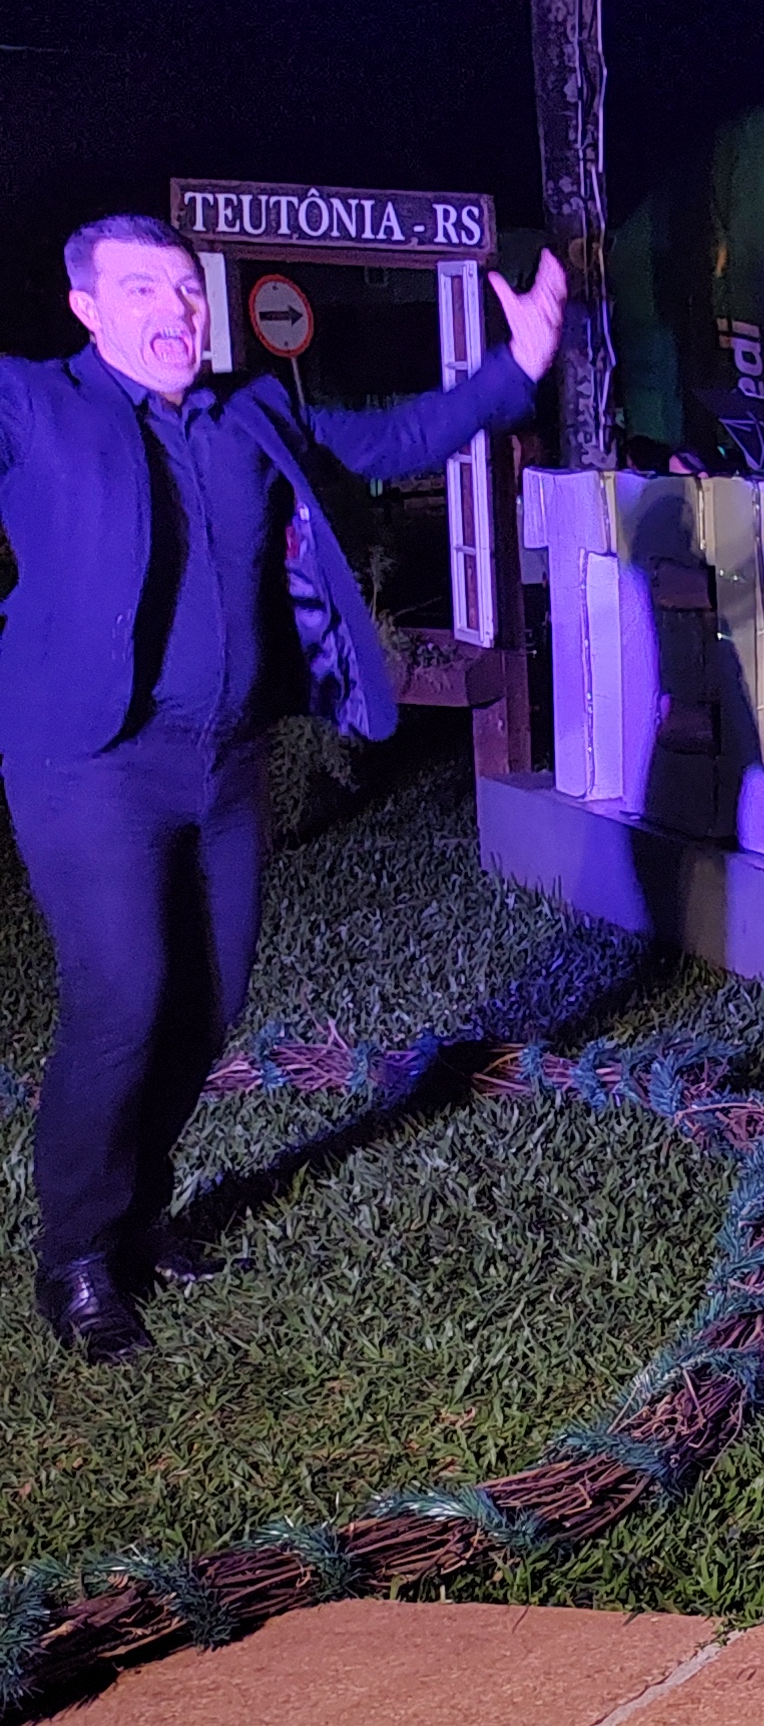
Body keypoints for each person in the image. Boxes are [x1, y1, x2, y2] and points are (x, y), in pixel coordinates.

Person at [1, 214, 565, 1360]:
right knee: (124, 998)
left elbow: (393, 437)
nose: (175, 310)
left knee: (208, 1003)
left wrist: (519, 365)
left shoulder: (248, 410)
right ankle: (76, 1258)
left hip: (226, 760)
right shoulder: (36, 403)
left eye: (185, 289)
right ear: (87, 309)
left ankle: (140, 1214)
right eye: (142, 291)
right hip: (91, 763)